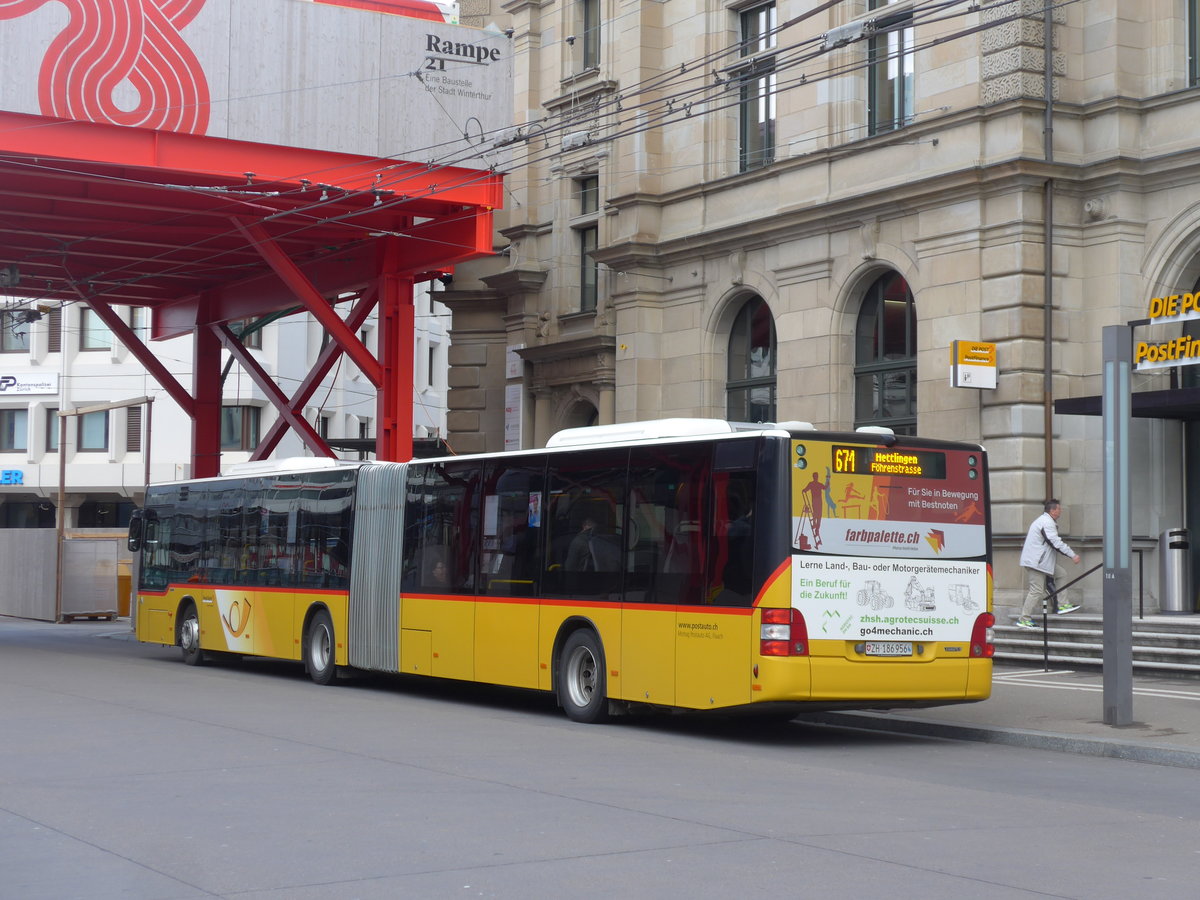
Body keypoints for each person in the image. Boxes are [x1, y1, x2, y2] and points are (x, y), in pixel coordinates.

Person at [1016, 499, 1081, 628]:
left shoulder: (1045, 521)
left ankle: (1062, 605)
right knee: (1036, 590)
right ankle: (1024, 618)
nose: (1060, 511)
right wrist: (1072, 555)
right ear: (1052, 510)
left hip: (1040, 562)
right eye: (1059, 509)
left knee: (1061, 574)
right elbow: (1055, 542)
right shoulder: (1046, 522)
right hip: (1037, 562)